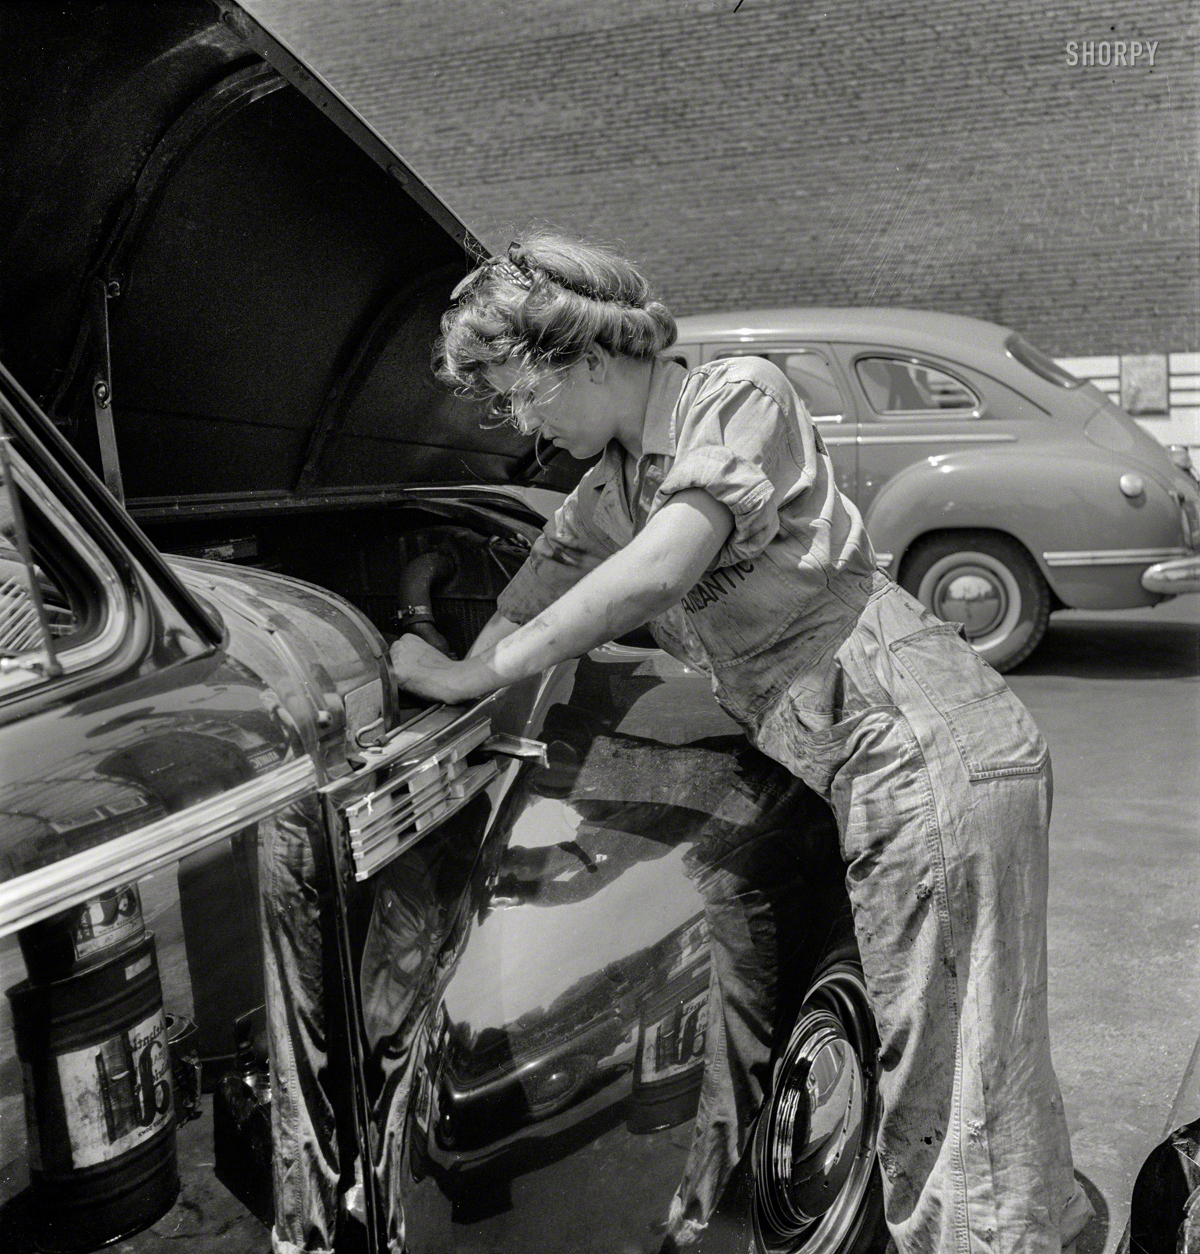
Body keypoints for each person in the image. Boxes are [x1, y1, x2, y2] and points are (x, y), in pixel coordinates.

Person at [388, 230, 1094, 1252]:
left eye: (517, 389)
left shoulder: (736, 397)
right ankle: (1049, 1230)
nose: (515, 420)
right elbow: (528, 601)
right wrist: (448, 668)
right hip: (866, 756)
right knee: (971, 1042)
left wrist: (479, 675)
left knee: (948, 1069)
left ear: (585, 354)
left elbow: (661, 570)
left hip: (926, 741)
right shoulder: (605, 493)